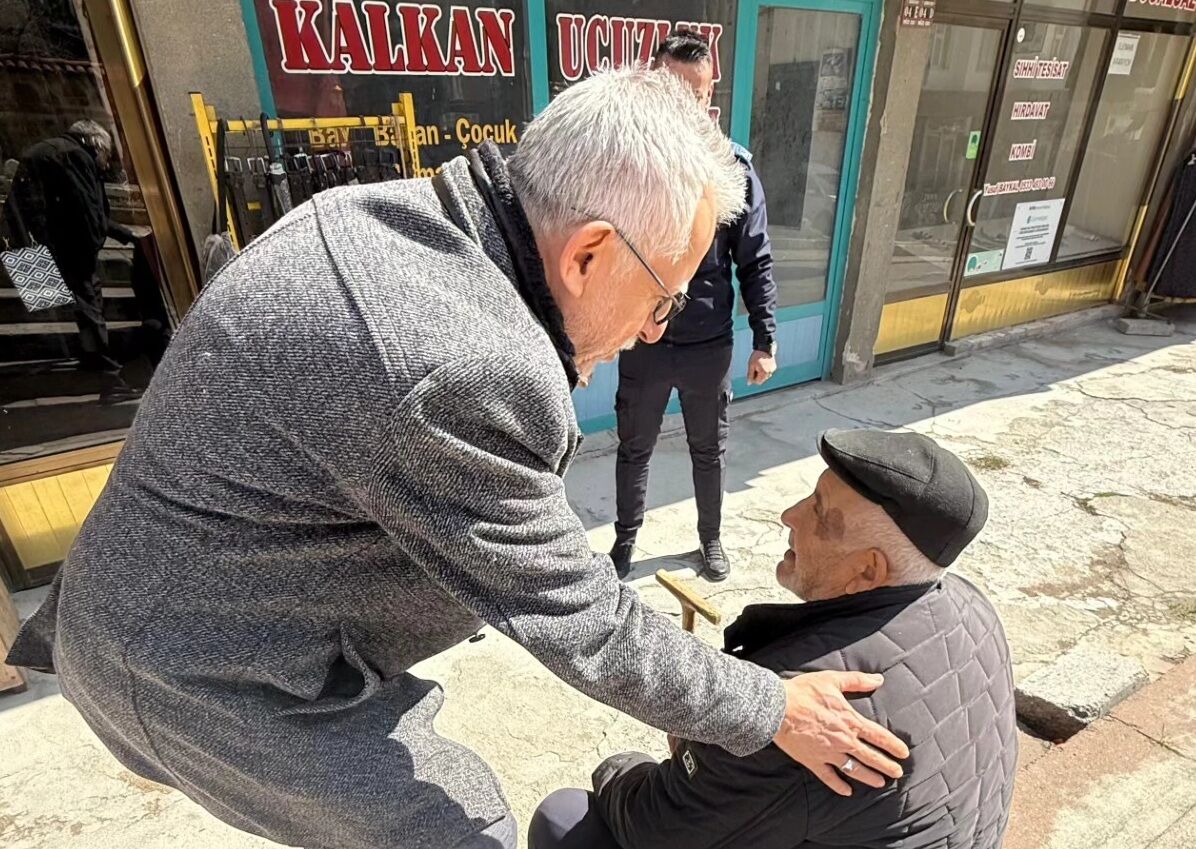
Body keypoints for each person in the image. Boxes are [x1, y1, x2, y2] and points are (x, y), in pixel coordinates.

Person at [6, 69, 907, 849]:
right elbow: (578, 617)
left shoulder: (394, 213)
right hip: (187, 666)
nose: (650, 331)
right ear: (591, 251)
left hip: (168, 595)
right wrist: (770, 706)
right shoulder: (459, 361)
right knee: (456, 825)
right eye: (663, 298)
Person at [532, 428, 1017, 849]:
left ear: (867, 569)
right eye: (809, 496)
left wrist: (617, 766)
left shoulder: (810, 712)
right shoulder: (969, 605)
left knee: (566, 819)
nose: (789, 515)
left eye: (820, 515)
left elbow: (652, 829)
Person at [612, 32, 778, 583]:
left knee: (709, 451)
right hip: (646, 341)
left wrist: (765, 338)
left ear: (711, 93)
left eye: (697, 93)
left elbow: (755, 260)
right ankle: (624, 542)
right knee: (633, 449)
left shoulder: (731, 168)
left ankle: (711, 540)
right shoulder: (628, 165)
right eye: (672, 91)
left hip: (708, 344)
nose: (686, 106)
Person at [2, 121, 140, 402]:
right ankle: (110, 380)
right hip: (69, 247)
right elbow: (88, 210)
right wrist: (95, 248)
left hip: (39, 242)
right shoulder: (75, 156)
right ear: (96, 145)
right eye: (106, 156)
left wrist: (122, 234)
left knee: (83, 306)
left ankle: (92, 361)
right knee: (90, 307)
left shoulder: (42, 151)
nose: (105, 165)